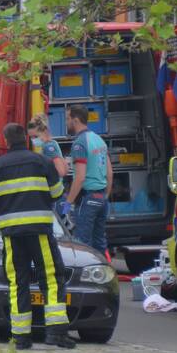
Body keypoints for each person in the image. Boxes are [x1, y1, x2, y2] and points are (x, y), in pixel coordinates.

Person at [0, 123, 75, 350]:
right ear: (26, 138)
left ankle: (21, 338)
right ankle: (56, 333)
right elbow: (56, 193)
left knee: (18, 282)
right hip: (39, 231)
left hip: (12, 235)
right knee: (51, 278)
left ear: (6, 141)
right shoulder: (41, 161)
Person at [62, 105, 113, 255]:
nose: (66, 123)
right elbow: (110, 173)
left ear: (75, 120)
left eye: (67, 119)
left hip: (88, 198)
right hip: (102, 198)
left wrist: (67, 205)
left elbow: (80, 177)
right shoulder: (99, 140)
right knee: (99, 244)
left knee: (82, 245)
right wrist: (105, 197)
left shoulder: (79, 144)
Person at [26, 113, 68, 179]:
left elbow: (61, 171)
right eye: (31, 137)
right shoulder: (53, 143)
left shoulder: (48, 148)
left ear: (45, 131)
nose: (33, 140)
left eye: (36, 136)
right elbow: (65, 168)